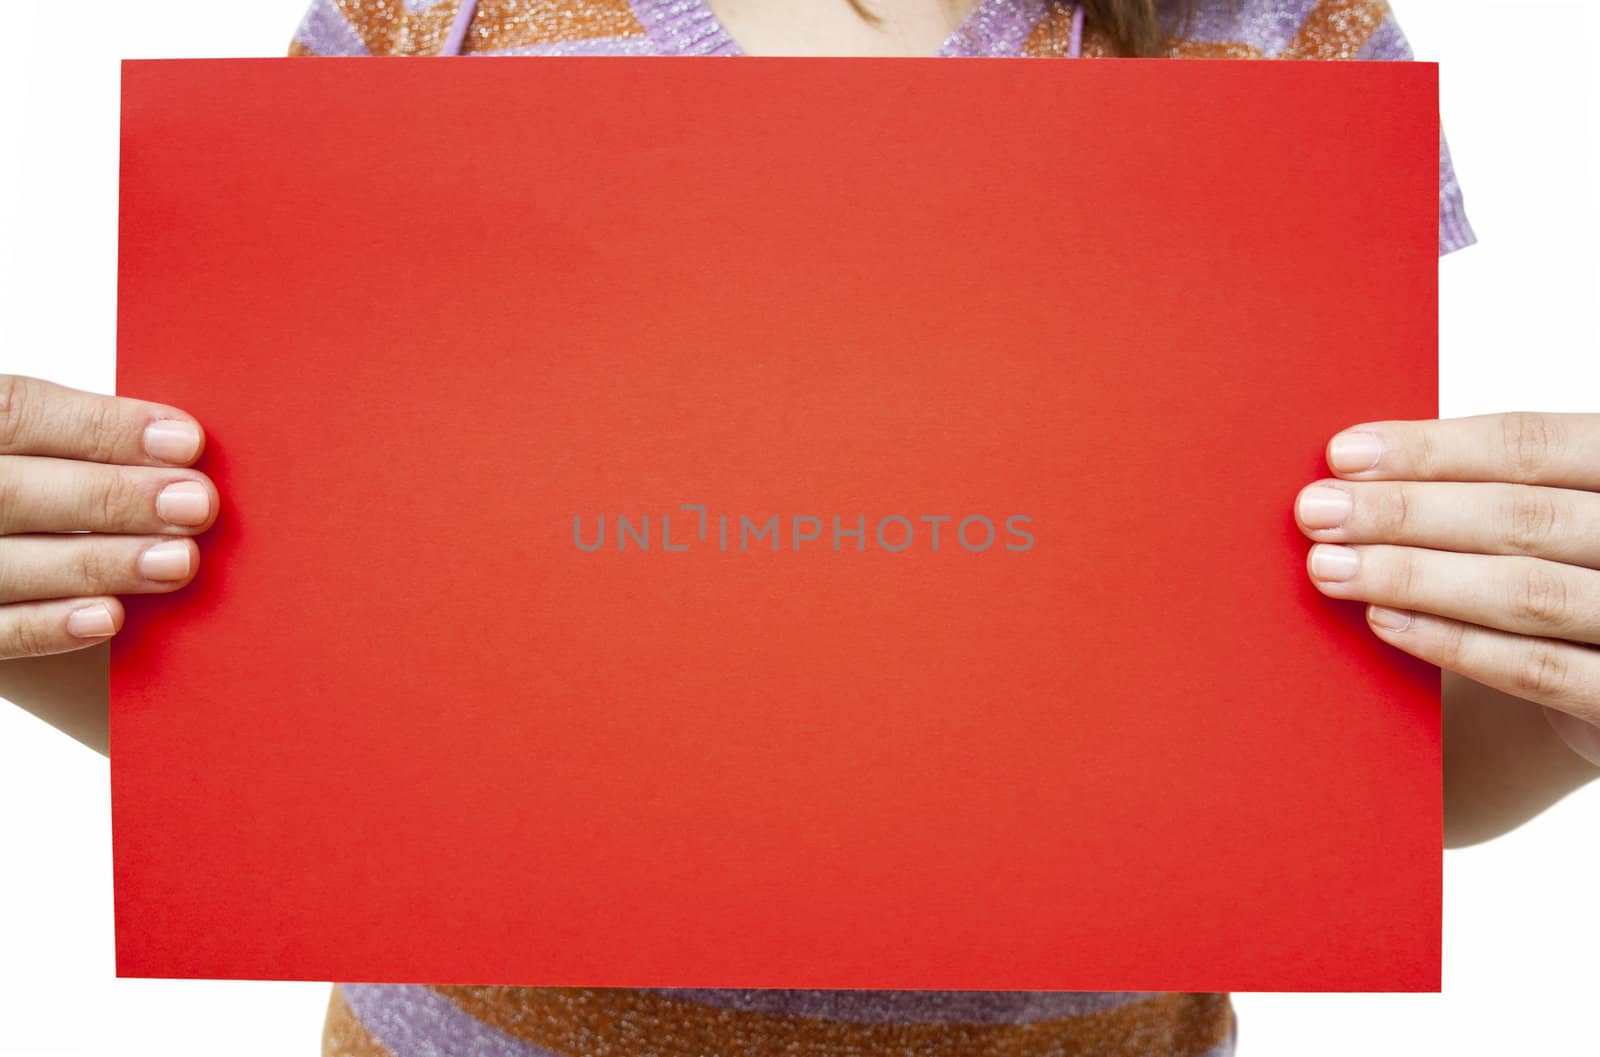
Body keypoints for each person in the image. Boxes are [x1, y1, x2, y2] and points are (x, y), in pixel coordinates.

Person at [4, 0, 1599, 1053]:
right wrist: (32, 594)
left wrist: (1567, 698)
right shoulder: (427, 12)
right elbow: (266, 711)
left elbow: (1356, 774)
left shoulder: (1282, 33)